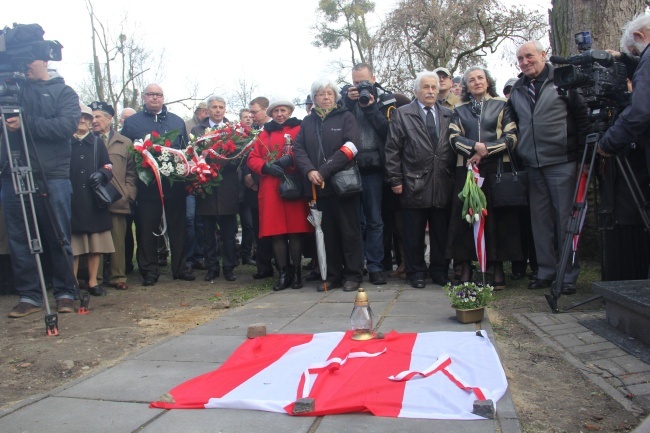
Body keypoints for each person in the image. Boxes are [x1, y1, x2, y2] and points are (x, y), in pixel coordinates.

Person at [507, 40, 590, 295]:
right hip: (532, 165)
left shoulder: (563, 80)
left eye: (529, 56)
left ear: (544, 55)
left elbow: (582, 118)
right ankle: (546, 271)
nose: (524, 62)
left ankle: (567, 275)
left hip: (562, 162)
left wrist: (582, 159)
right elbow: (513, 122)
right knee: (540, 222)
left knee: (566, 221)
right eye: (520, 59)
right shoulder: (518, 88)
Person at [2, 56, 80, 318]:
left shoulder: (64, 92)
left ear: (44, 61)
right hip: (11, 174)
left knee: (57, 235)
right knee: (20, 238)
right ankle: (29, 295)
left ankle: (65, 292)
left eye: (29, 61)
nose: (24, 67)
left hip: (52, 175)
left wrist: (26, 123)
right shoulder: (10, 89)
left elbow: (66, 126)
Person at [447, 66, 522, 289]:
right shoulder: (459, 109)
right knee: (466, 219)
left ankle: (497, 268)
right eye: (471, 80)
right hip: (468, 170)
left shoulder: (502, 105)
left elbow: (512, 137)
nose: (477, 82)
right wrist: (473, 148)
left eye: (480, 78)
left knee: (496, 220)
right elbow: (453, 137)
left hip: (497, 169)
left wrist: (486, 149)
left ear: (487, 81)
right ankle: (467, 268)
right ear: (467, 86)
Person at [384, 71, 455, 289]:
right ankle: (416, 272)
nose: (431, 91)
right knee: (413, 232)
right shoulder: (402, 114)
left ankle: (440, 271)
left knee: (440, 231)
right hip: (413, 181)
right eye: (426, 87)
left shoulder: (447, 113)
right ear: (416, 90)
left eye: (434, 87)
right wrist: (395, 179)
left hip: (442, 180)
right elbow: (392, 149)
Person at [294, 79, 364, 292]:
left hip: (343, 186)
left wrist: (323, 171)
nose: (325, 97)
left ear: (335, 97)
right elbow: (299, 149)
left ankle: (353, 274)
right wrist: (309, 171)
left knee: (349, 232)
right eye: (321, 94)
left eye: (329, 94)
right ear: (314, 99)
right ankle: (332, 274)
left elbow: (352, 147)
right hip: (318, 188)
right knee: (327, 233)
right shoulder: (307, 122)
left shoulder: (346, 117)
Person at [121, 84, 195, 286]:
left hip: (174, 186)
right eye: (151, 95)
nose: (155, 98)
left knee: (178, 228)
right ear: (144, 97)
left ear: (163, 98)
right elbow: (126, 154)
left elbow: (185, 152)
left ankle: (180, 268)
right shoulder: (132, 122)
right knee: (146, 228)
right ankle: (149, 270)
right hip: (147, 187)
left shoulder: (177, 121)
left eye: (158, 95)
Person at [247, 97, 312, 290]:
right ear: (271, 114)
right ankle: (284, 273)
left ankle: (297, 272)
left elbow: (303, 150)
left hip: (292, 186)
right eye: (276, 111)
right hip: (270, 188)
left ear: (289, 112)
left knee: (295, 232)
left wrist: (288, 161)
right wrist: (265, 167)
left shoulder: (299, 129)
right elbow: (252, 158)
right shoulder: (262, 135)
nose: (280, 114)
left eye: (283, 110)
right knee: (276, 234)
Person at [341, 63, 396, 285]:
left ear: (373, 78)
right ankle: (357, 266)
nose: (360, 86)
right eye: (356, 82)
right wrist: (348, 101)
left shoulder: (386, 99)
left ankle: (375, 266)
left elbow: (389, 131)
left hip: (374, 166)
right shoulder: (344, 99)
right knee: (356, 221)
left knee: (375, 219)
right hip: (349, 166)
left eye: (364, 82)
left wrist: (370, 107)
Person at [89, 101, 137, 291]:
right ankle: (96, 277)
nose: (93, 121)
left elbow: (132, 172)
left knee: (118, 238)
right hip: (92, 200)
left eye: (98, 116)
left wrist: (128, 193)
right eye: (91, 117)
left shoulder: (124, 142)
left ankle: (118, 276)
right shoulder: (87, 141)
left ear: (109, 119)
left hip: (118, 198)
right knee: (96, 240)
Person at [191, 96, 238, 282]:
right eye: (214, 107)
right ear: (207, 110)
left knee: (229, 231)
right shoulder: (197, 130)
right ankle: (212, 267)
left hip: (228, 185)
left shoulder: (234, 129)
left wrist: (223, 162)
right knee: (207, 231)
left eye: (221, 107)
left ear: (225, 109)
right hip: (207, 186)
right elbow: (193, 155)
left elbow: (239, 156)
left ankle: (229, 267)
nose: (218, 110)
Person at [70, 104, 115, 297]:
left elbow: (108, 165)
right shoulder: (64, 142)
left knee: (95, 245)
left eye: (87, 118)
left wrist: (102, 174)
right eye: (80, 117)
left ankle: (92, 282)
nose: (83, 121)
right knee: (74, 246)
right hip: (71, 199)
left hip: (93, 199)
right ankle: (71, 284)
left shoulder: (97, 143)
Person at [245, 96, 275, 280]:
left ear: (266, 110)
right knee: (258, 227)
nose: (252, 116)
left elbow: (274, 157)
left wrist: (256, 176)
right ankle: (263, 267)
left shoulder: (274, 131)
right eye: (250, 112)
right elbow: (241, 158)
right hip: (252, 188)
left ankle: (281, 263)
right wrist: (246, 177)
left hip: (269, 184)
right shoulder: (248, 132)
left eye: (255, 112)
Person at [237, 108, 255, 266]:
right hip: (236, 188)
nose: (248, 119)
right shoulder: (235, 137)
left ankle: (247, 254)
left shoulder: (256, 135)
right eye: (245, 117)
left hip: (249, 187)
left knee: (249, 224)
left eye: (251, 117)